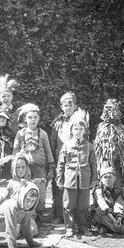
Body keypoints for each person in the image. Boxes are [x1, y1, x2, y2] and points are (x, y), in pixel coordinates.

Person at [49, 92, 89, 224]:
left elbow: (85, 138)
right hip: (61, 157)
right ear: (61, 107)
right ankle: (59, 214)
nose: (67, 107)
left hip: (76, 159)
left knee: (75, 188)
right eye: (64, 105)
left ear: (75, 105)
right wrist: (53, 161)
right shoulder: (58, 122)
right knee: (59, 186)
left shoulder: (80, 120)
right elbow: (53, 141)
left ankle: (77, 217)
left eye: (70, 104)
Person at [56, 115, 97, 238]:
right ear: (71, 130)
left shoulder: (89, 146)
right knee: (69, 204)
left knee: (83, 205)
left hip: (84, 180)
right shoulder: (66, 146)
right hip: (70, 180)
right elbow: (61, 163)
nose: (78, 131)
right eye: (75, 129)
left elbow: (93, 164)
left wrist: (94, 179)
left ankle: (83, 227)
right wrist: (59, 178)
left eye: (80, 128)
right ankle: (69, 227)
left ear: (84, 130)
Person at [13, 103, 54, 224]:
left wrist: (51, 167)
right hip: (26, 169)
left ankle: (39, 215)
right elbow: (15, 150)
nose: (32, 120)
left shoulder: (43, 134)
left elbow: (48, 151)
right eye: (30, 117)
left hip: (40, 168)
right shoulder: (20, 134)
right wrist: (16, 164)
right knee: (26, 191)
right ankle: (27, 217)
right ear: (25, 119)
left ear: (38, 119)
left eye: (35, 117)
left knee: (40, 192)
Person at [90, 163, 124, 235]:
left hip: (114, 213)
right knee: (101, 212)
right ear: (101, 179)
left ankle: (108, 228)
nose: (107, 180)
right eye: (105, 177)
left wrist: (119, 218)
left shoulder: (119, 190)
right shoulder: (98, 191)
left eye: (110, 177)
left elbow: (119, 205)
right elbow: (103, 206)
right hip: (103, 215)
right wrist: (113, 220)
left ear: (115, 178)